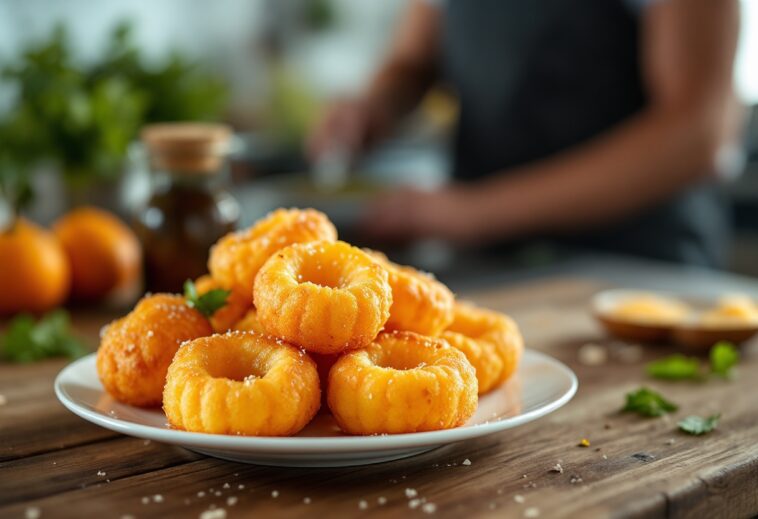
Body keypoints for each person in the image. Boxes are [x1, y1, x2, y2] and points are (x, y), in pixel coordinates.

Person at [308, 0, 744, 267]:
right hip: (493, 261)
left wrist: (472, 214)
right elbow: (412, 62)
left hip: (637, 268)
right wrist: (373, 107)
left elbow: (698, 132)